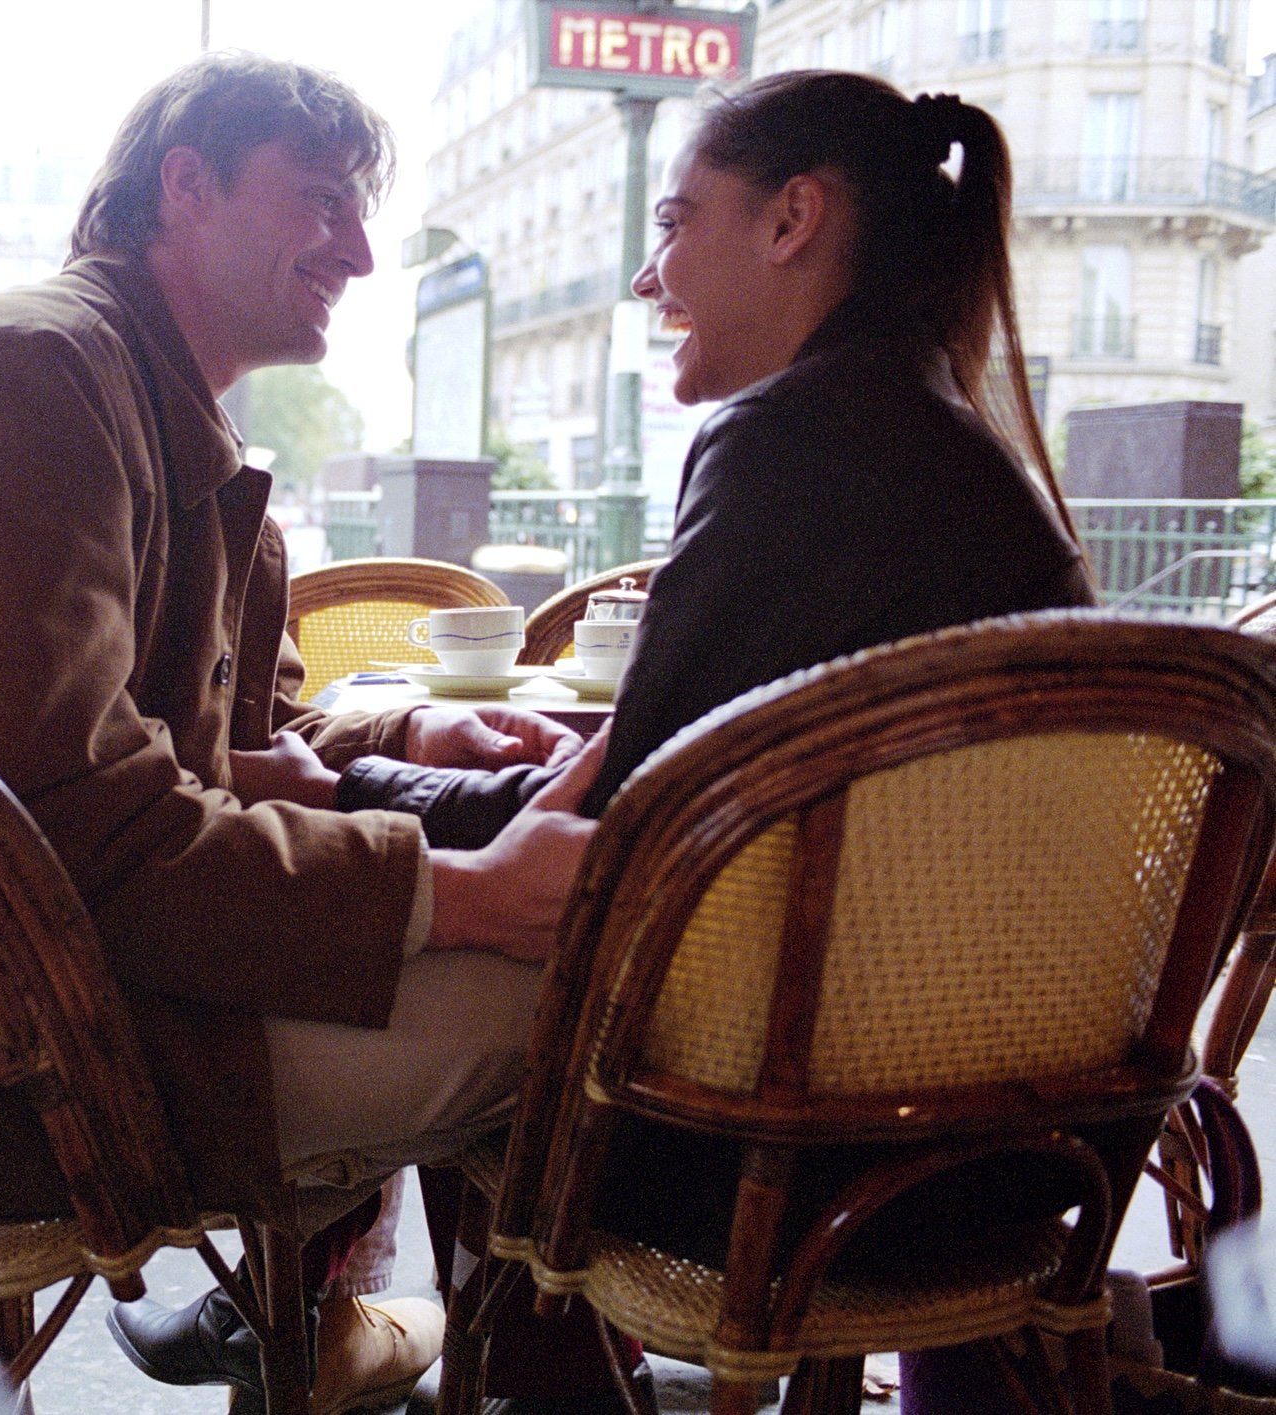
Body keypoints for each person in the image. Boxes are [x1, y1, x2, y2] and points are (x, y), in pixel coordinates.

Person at [0, 53, 601, 1415]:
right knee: (583, 1004)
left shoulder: (107, 387)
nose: (362, 251)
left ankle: (319, 1342)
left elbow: (193, 741)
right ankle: (405, 1364)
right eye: (319, 201)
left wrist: (416, 728)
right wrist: (470, 896)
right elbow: (78, 823)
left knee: (489, 952)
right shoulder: (28, 385)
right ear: (182, 188)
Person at [252, 70, 1098, 1412]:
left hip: (799, 1162)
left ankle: (444, 1363)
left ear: (790, 220)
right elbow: (651, 785)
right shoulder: (950, 443)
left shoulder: (792, 436)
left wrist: (342, 783)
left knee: (482, 1011)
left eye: (670, 220)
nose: (647, 278)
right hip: (1025, 1148)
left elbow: (609, 835)